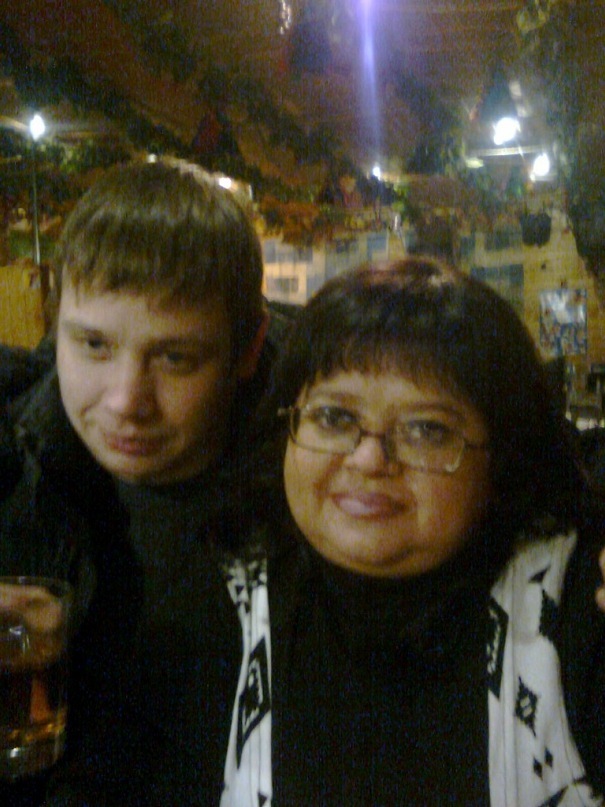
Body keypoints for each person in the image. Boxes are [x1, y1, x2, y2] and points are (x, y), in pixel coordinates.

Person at [222, 258, 605, 806]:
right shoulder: (223, 606)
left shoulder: (571, 610)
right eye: (333, 417)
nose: (368, 459)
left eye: (426, 430)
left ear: (501, 461)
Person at [0, 158, 282, 806]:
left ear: (247, 348)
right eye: (94, 345)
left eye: (175, 357)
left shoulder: (308, 510)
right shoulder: (16, 479)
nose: (127, 400)